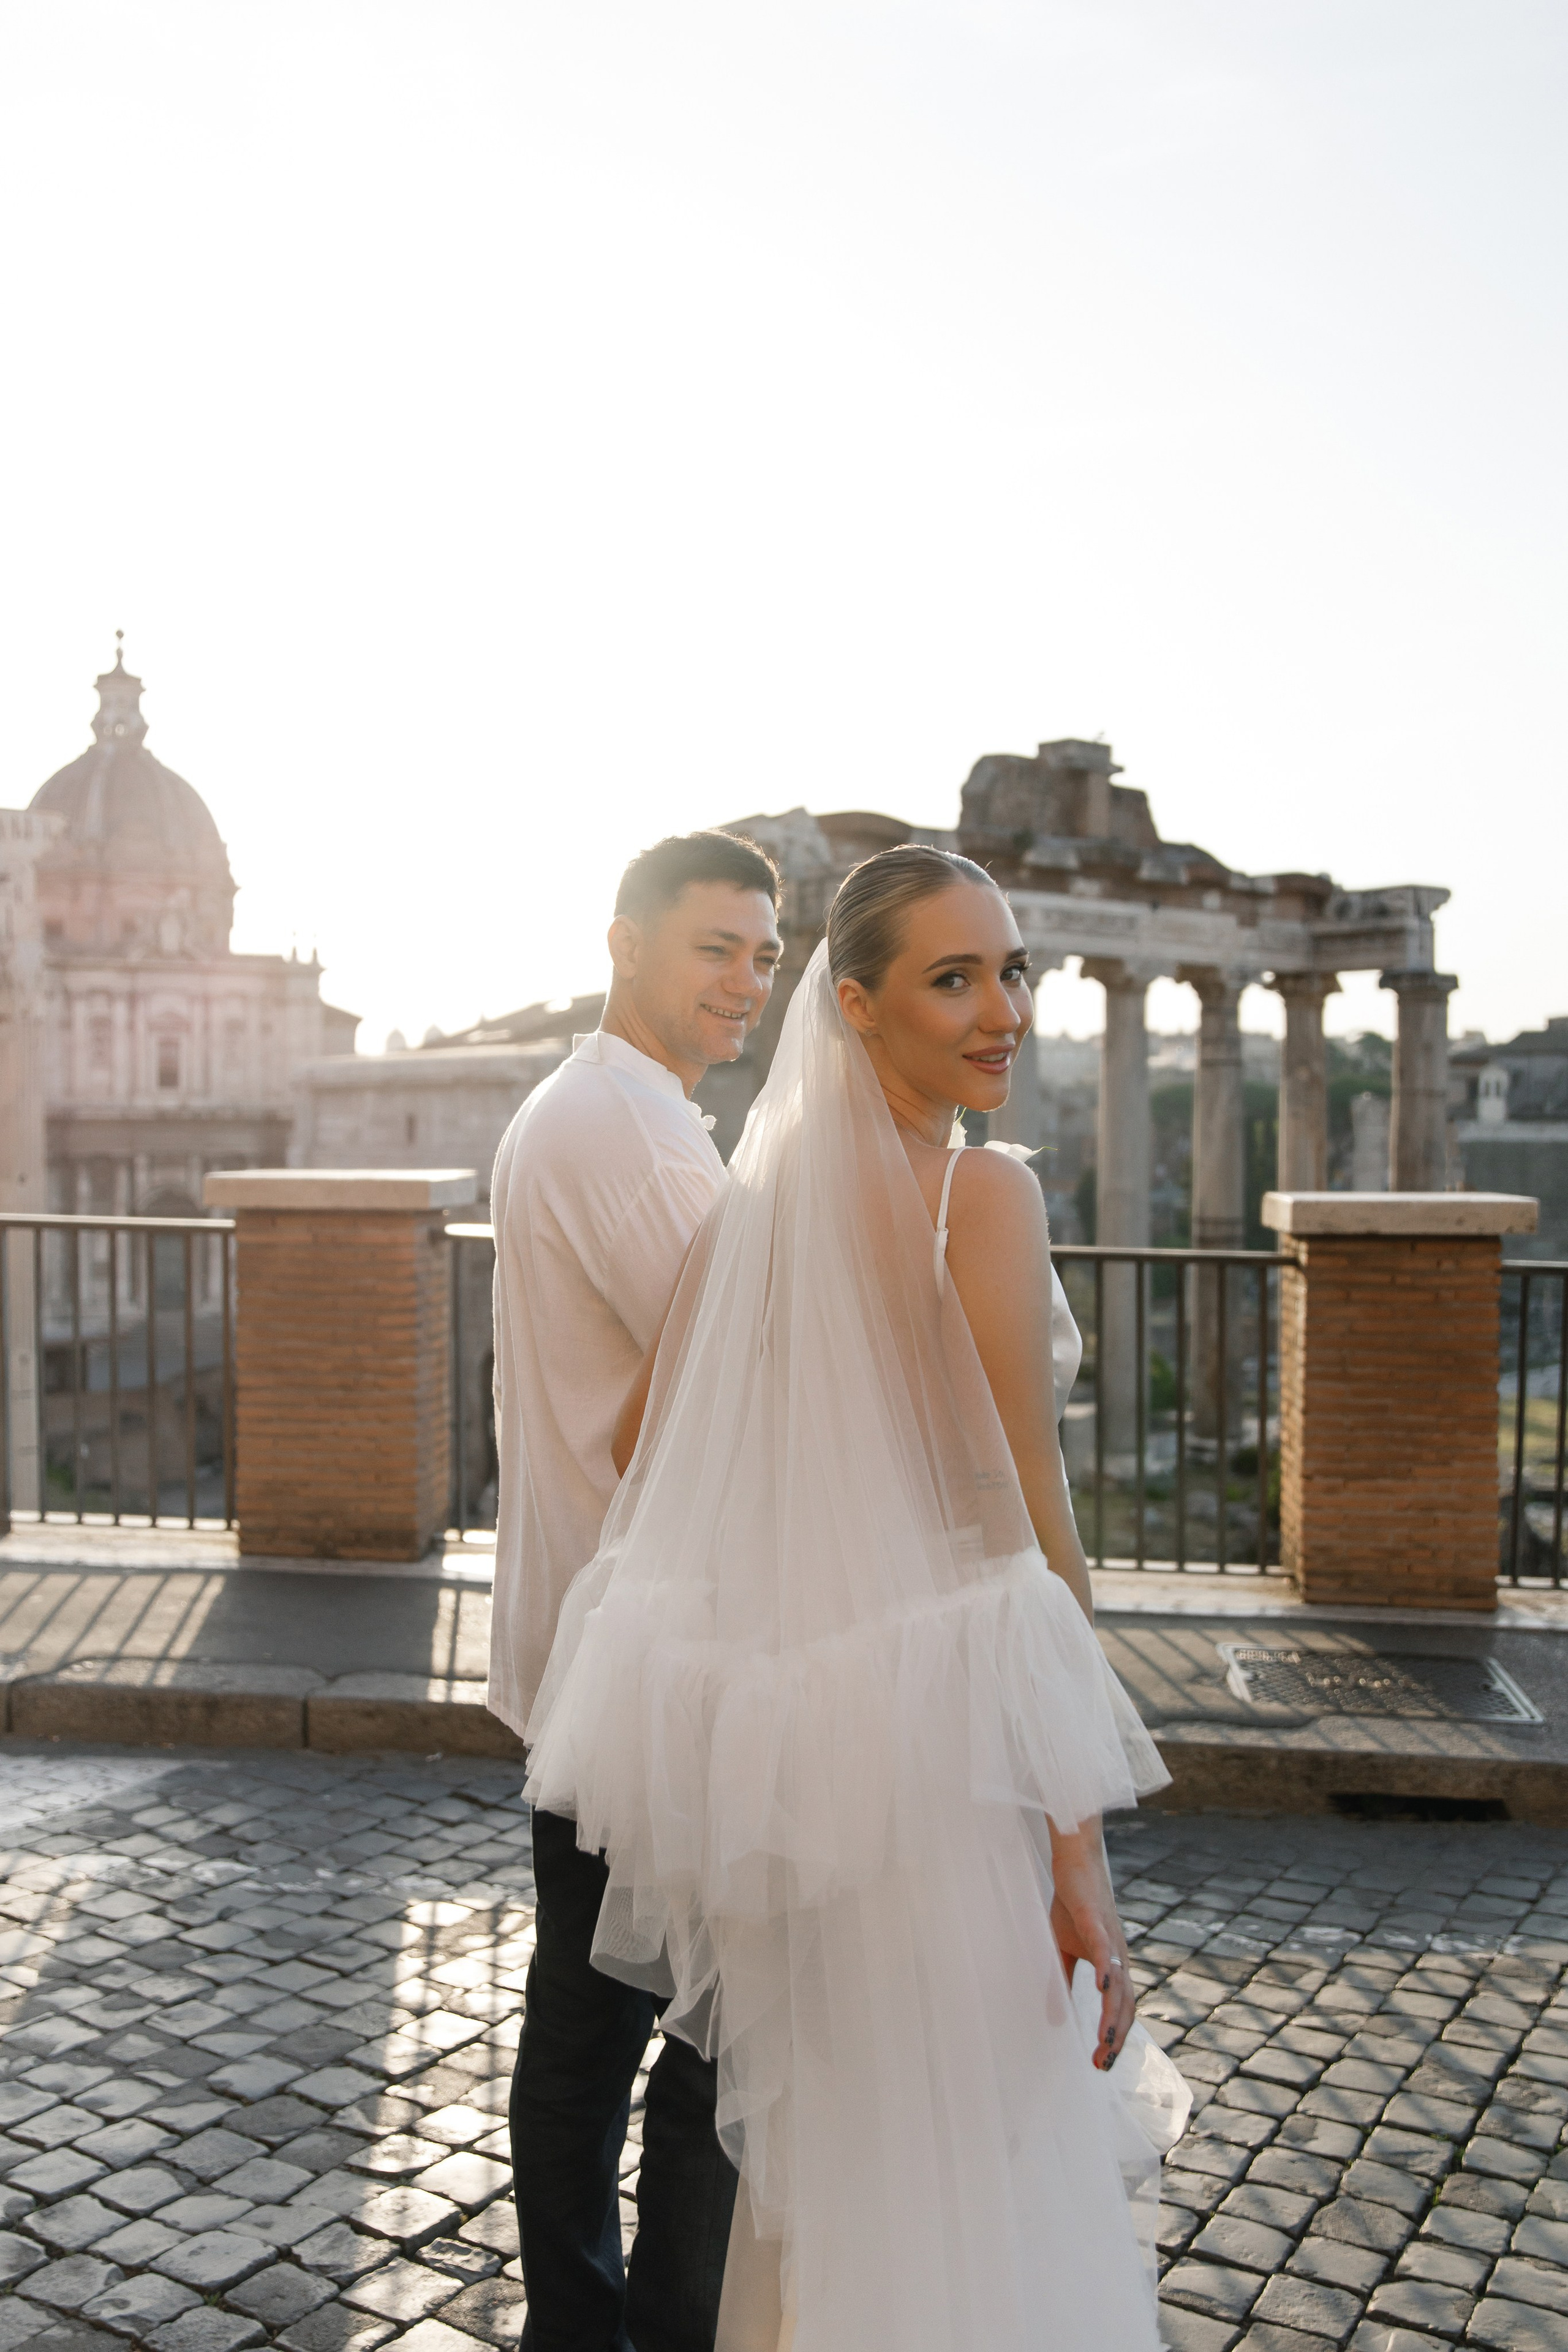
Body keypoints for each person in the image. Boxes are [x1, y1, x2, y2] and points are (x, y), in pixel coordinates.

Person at [525, 845, 1182, 2352]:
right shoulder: (983, 1198)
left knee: (823, 2187)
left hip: (809, 1781)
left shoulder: (747, 1220)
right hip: (948, 1782)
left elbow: (641, 1454)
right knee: (970, 2180)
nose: (1001, 1010)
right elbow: (1029, 1538)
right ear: (861, 1006)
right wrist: (1076, 1852)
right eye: (954, 979)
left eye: (1010, 972)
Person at [489, 829, 783, 2352]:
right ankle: (624, 2327)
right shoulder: (624, 1127)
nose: (746, 981)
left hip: (609, 1641)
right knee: (689, 2026)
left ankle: (596, 2324)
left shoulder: (614, 1110)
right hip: (640, 1657)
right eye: (713, 948)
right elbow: (743, 1385)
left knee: (603, 2019)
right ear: (623, 945)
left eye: (763, 954)